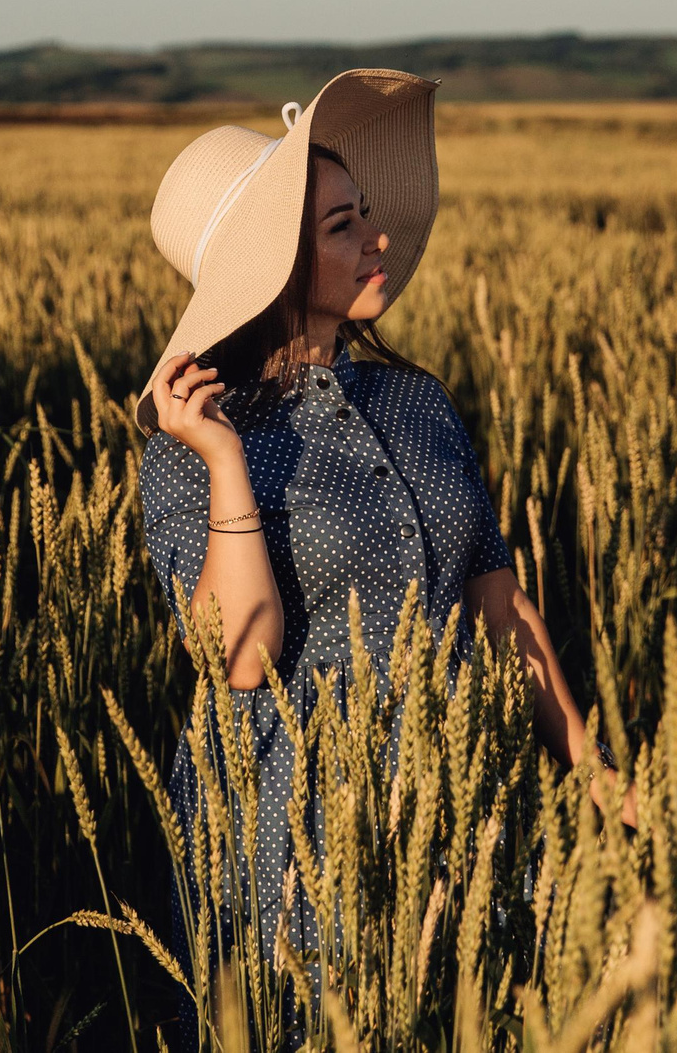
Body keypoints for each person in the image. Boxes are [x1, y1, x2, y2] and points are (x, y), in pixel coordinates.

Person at [135, 68, 605, 965]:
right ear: (274, 263)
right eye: (343, 224)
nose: (378, 235)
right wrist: (225, 459)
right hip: (294, 815)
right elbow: (242, 657)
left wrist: (591, 768)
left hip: (457, 782)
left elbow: (498, 603)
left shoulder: (419, 403)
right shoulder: (191, 453)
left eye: (364, 212)